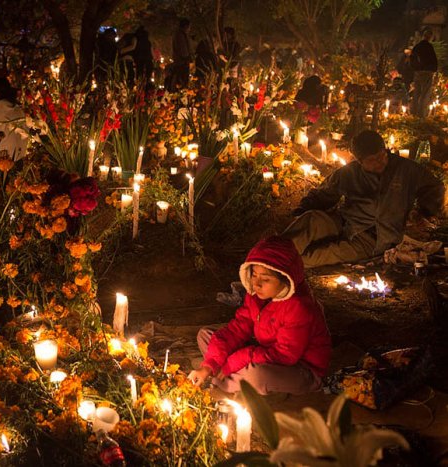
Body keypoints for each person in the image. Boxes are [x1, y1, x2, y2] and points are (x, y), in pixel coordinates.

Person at [189, 236, 331, 395]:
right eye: (254, 274)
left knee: (257, 376)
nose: (256, 283)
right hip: (265, 352)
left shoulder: (298, 307)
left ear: (286, 280)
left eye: (266, 279)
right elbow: (237, 329)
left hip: (299, 369)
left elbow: (285, 355)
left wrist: (240, 358)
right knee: (206, 335)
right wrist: (208, 365)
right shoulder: (256, 296)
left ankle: (220, 379)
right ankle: (222, 375)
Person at [282, 130, 445, 268]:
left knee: (310, 257)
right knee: (311, 220)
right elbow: (324, 194)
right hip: (345, 222)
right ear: (360, 161)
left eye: (382, 156)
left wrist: (424, 211)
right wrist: (301, 210)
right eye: (372, 160)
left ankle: (276, 265)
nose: (380, 162)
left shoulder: (406, 169)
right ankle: (270, 254)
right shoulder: (350, 173)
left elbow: (434, 187)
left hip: (373, 240)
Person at [410, 29, 438, 118]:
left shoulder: (417, 46)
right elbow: (433, 61)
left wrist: (415, 69)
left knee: (417, 92)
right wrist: (433, 70)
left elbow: (412, 59)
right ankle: (421, 115)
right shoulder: (429, 47)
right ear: (430, 37)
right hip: (427, 72)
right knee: (425, 93)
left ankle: (413, 113)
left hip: (418, 72)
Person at [168, 18, 192, 91]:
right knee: (181, 82)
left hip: (179, 61)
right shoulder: (180, 35)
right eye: (189, 27)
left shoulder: (178, 34)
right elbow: (183, 50)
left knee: (179, 81)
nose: (189, 29)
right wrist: (187, 58)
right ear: (186, 26)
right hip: (182, 62)